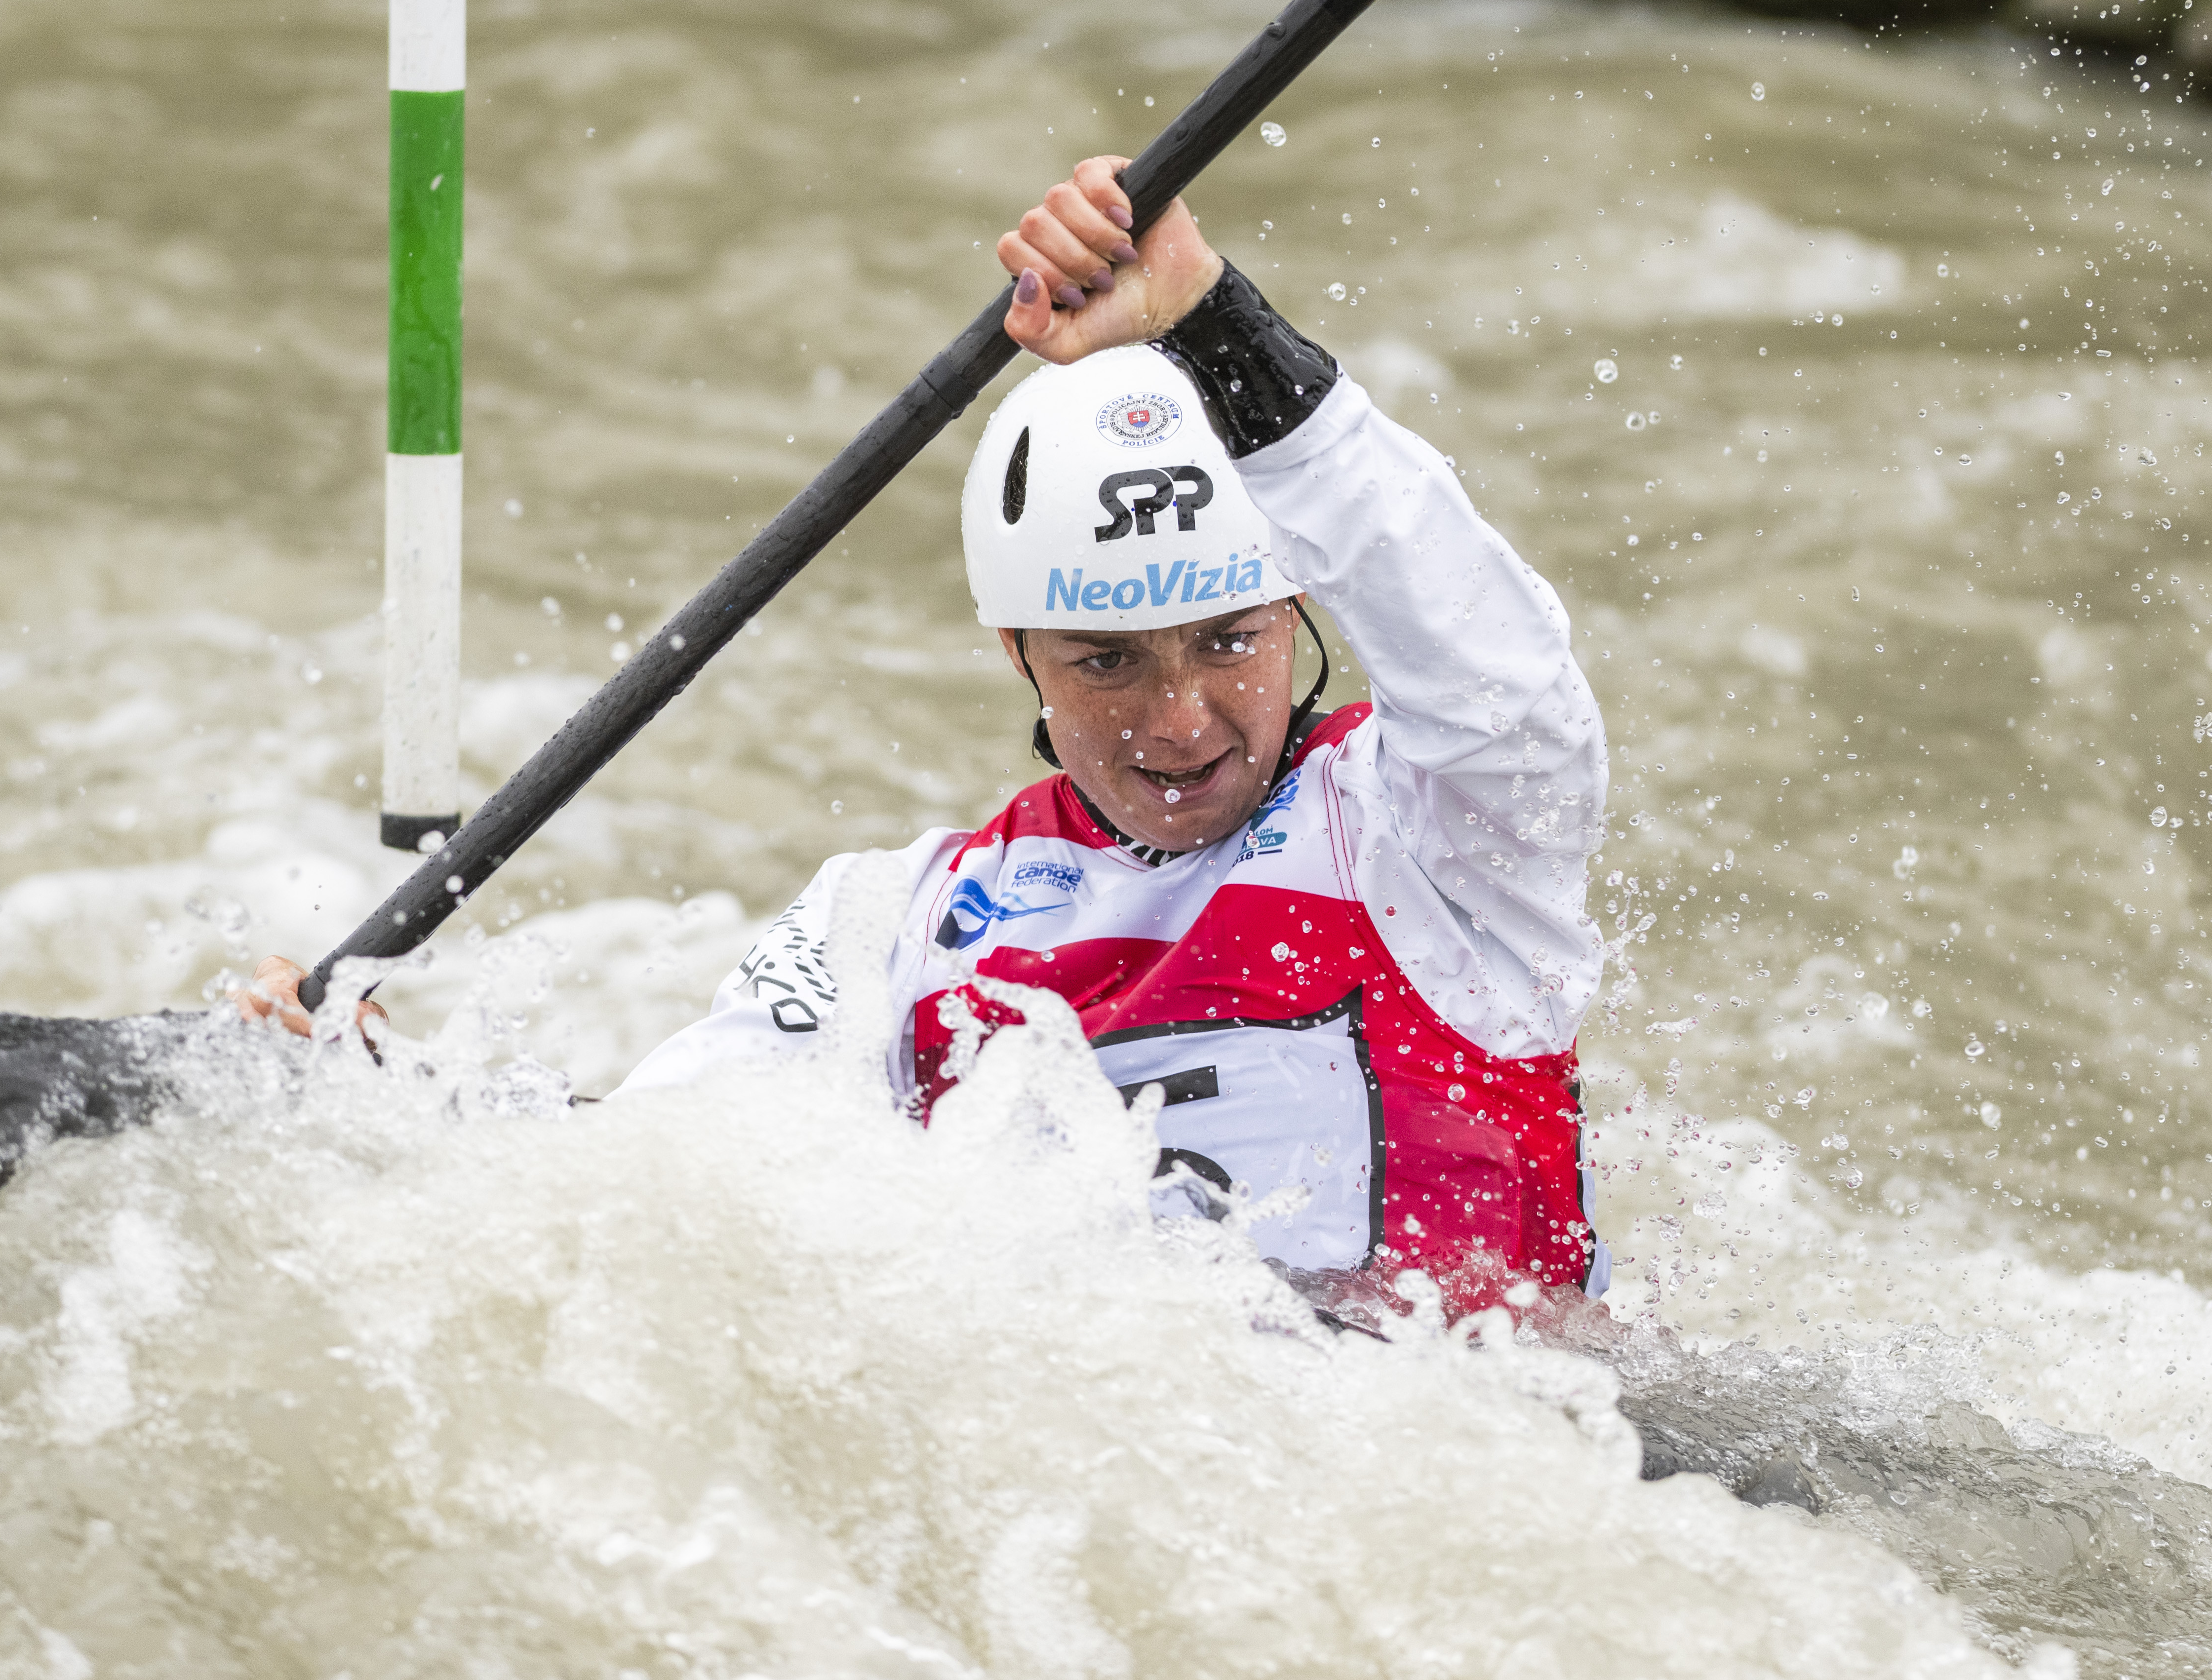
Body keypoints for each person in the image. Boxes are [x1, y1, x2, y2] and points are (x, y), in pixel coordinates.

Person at [250, 156, 1608, 1304]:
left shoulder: (1432, 836)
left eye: (1229, 641)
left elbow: (1496, 668)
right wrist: (383, 1100)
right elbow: (658, 1178)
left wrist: (1209, 320)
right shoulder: (897, 923)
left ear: (1296, 605)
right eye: (1107, 662)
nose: (1181, 719)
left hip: (1515, 1451)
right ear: (1017, 653)